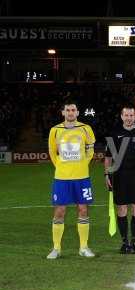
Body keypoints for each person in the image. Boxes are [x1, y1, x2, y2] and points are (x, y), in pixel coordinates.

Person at [47, 99, 96, 259]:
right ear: (63, 113)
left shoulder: (86, 128)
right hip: (62, 178)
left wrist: (83, 163)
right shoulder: (55, 130)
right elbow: (52, 152)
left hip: (82, 177)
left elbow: (90, 149)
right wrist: (60, 166)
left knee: (83, 209)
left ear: (77, 112)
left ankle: (83, 247)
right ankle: (56, 248)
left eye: (73, 110)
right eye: (67, 110)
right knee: (60, 211)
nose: (70, 113)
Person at [104, 104, 135, 254]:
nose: (129, 118)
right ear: (122, 116)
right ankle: (125, 242)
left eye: (131, 115)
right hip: (119, 174)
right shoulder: (114, 133)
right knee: (122, 208)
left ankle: (134, 242)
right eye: (126, 115)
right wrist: (107, 175)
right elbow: (108, 157)